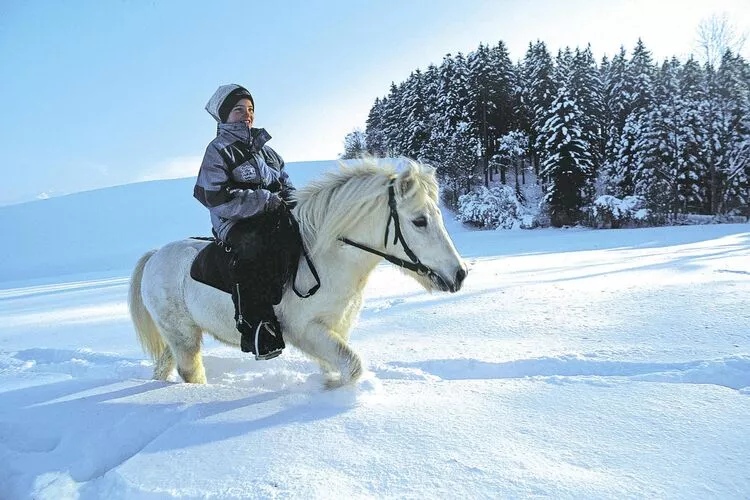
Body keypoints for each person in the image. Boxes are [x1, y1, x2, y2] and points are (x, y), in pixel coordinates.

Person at [194, 84, 297, 360]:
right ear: (225, 115)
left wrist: (298, 204)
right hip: (235, 223)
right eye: (238, 109)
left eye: (250, 109)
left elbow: (286, 185)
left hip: (273, 215)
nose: (246, 114)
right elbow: (214, 196)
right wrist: (263, 200)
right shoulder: (218, 150)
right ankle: (257, 328)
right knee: (254, 248)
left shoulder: (268, 152)